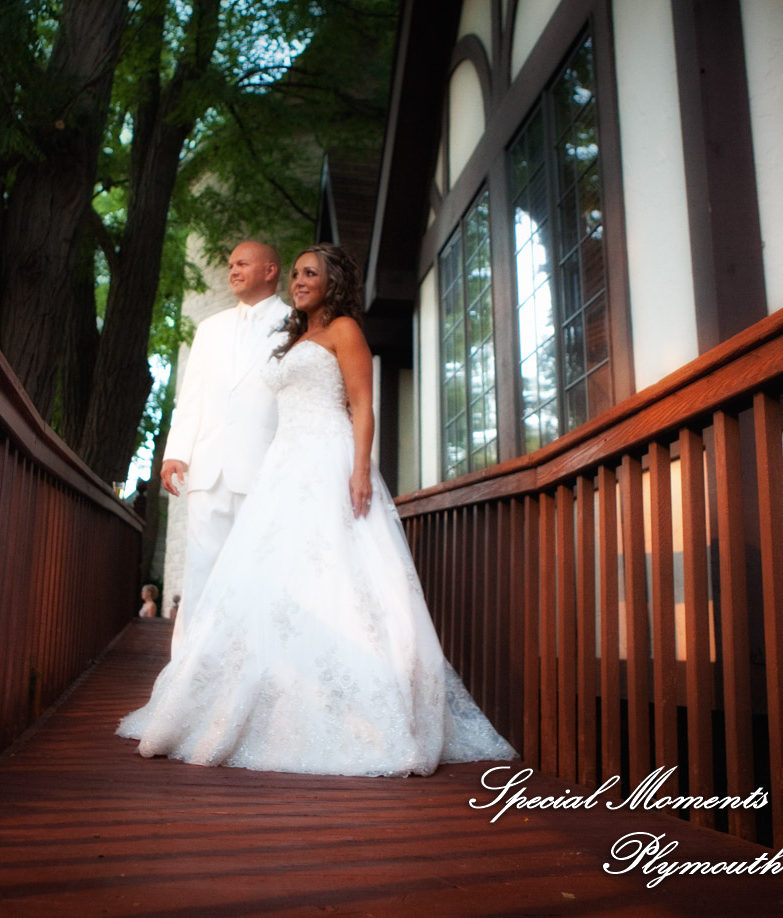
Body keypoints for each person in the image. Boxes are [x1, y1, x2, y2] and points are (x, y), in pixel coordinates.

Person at [118, 244, 515, 777]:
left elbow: (363, 405)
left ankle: (357, 710)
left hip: (329, 461)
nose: (300, 281)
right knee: (269, 582)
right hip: (283, 466)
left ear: (333, 282)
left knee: (337, 575)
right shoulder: (295, 336)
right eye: (297, 274)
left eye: (311, 273)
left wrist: (360, 470)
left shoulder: (345, 330)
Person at [160, 240, 292, 654]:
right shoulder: (210, 328)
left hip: (266, 469)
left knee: (259, 571)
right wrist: (176, 452)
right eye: (230, 264)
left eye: (242, 263)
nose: (232, 270)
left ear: (270, 270)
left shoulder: (297, 323)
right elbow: (191, 395)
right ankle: (187, 668)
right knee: (200, 571)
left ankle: (247, 666)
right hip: (208, 468)